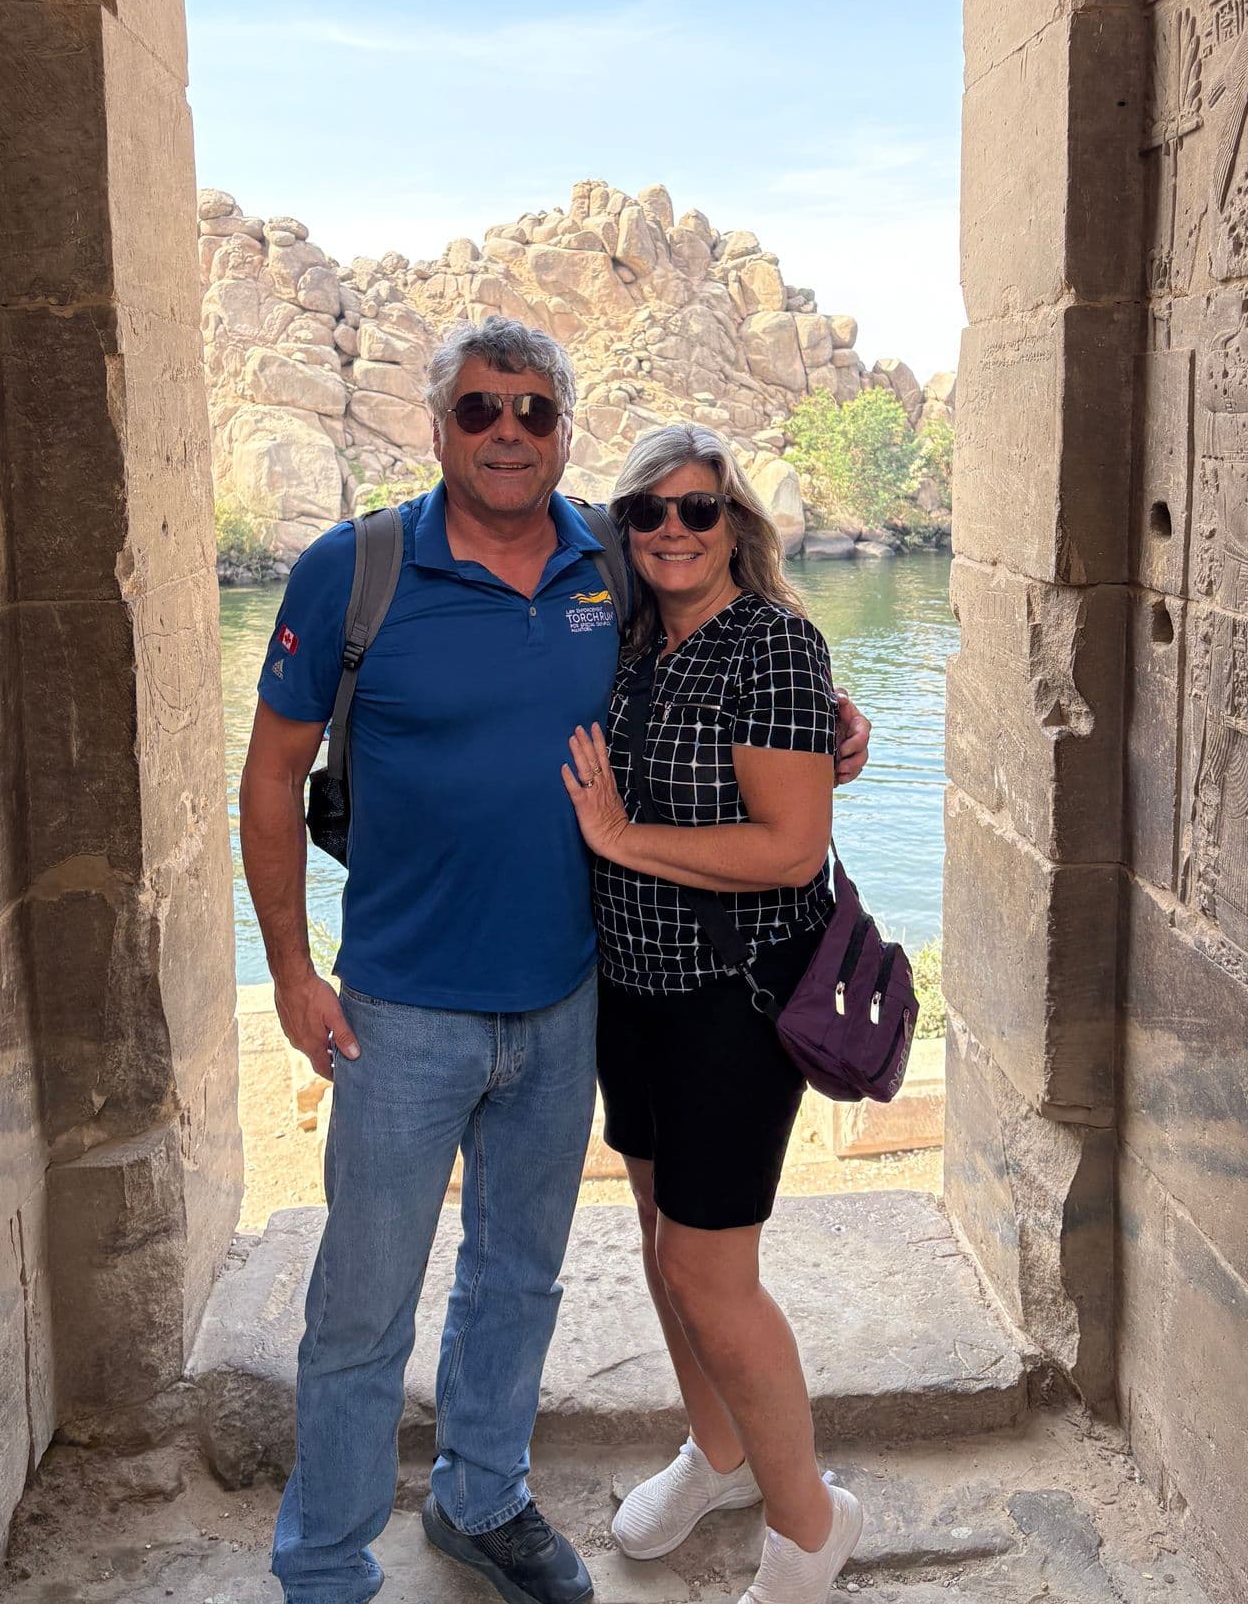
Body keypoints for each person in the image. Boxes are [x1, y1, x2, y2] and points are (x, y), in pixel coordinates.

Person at [241, 319, 871, 1604]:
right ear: (438, 425)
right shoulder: (348, 571)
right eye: (480, 410)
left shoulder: (612, 558)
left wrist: (833, 719)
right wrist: (293, 972)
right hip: (401, 1007)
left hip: (570, 998)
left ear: (564, 429)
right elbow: (267, 779)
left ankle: (481, 1496)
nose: (508, 433)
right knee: (363, 1301)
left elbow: (733, 633)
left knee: (517, 1275)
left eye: (534, 411)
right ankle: (322, 1560)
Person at [561, 422, 864, 1604]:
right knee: (659, 1239)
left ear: (736, 521)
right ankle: (720, 1449)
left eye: (700, 508)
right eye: (650, 512)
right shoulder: (634, 636)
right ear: (625, 530)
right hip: (632, 992)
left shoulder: (775, 644)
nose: (673, 529)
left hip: (732, 998)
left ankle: (808, 1523)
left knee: (709, 1268)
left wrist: (622, 836)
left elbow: (792, 851)